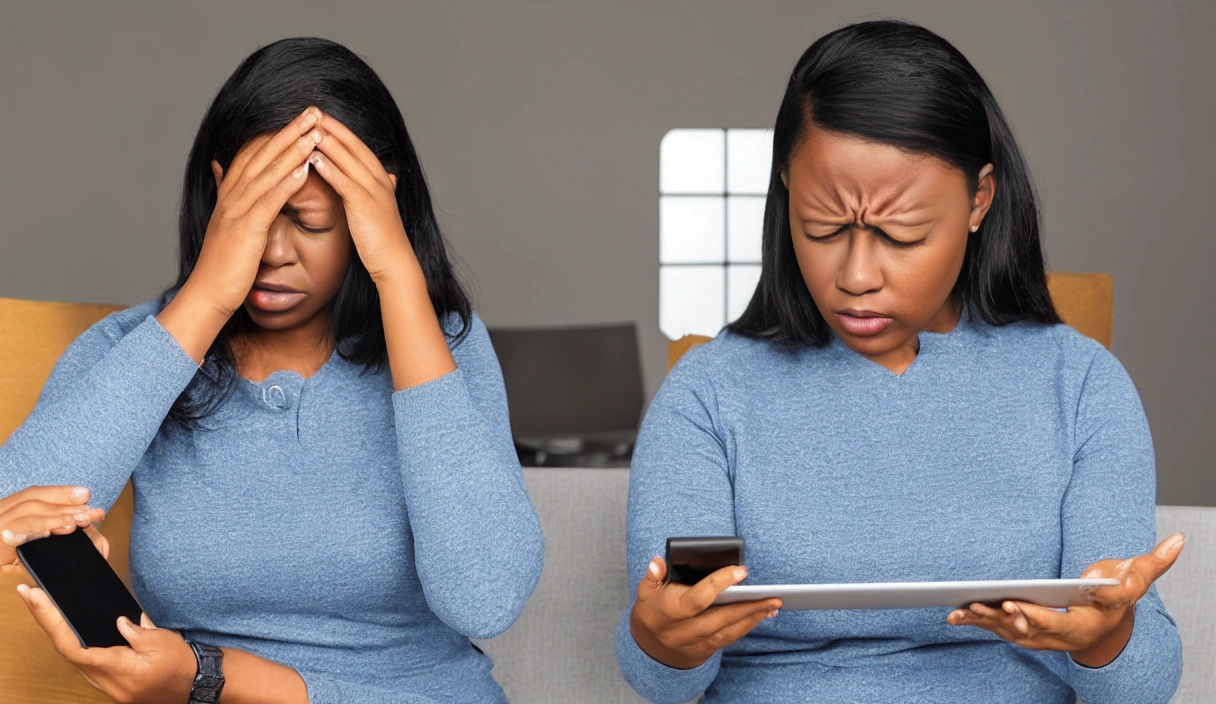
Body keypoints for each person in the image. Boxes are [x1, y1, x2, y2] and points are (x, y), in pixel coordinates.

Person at [618, 20, 1183, 704]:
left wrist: (1103, 638)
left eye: (902, 235)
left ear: (979, 200)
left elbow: (1143, 687)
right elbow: (664, 675)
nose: (856, 275)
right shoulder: (710, 396)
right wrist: (663, 640)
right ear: (786, 191)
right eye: (822, 227)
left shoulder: (1081, 387)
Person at [0, 37, 544, 704]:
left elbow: (488, 596)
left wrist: (398, 277)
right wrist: (207, 296)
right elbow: (14, 515)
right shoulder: (135, 349)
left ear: (372, 217)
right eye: (255, 219)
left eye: (310, 224)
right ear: (217, 195)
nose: (274, 253)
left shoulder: (443, 346)